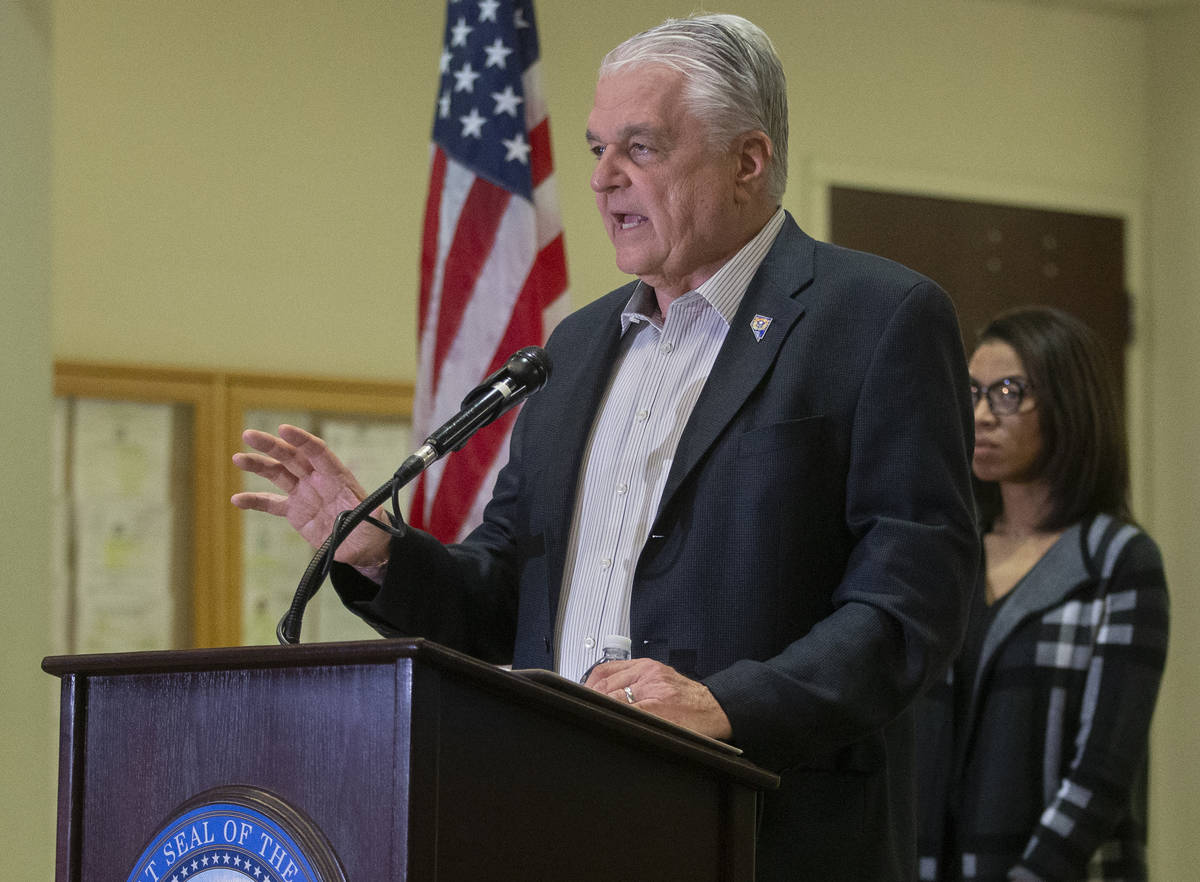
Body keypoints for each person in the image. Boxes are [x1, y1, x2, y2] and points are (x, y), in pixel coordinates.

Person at [233, 13, 979, 881]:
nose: (603, 180)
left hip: (768, 832)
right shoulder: (575, 349)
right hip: (559, 824)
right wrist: (380, 553)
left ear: (749, 159)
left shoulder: (875, 319)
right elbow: (502, 595)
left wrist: (724, 706)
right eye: (594, 149)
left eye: (642, 148)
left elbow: (910, 606)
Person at [916, 307, 1169, 881]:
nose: (980, 415)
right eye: (973, 392)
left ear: (1068, 404)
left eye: (1008, 392)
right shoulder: (952, 554)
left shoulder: (1118, 561)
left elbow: (1103, 771)